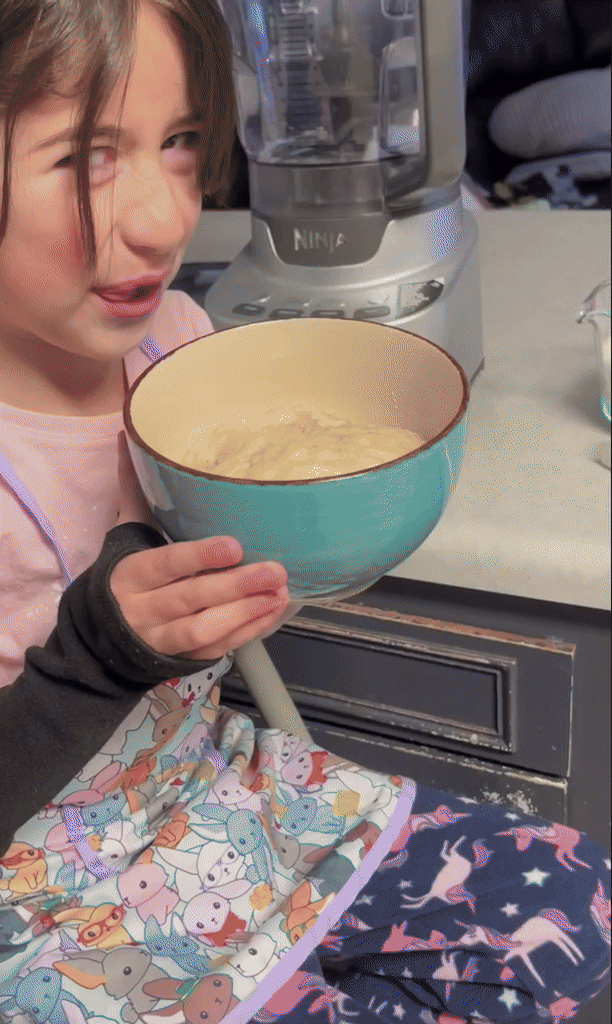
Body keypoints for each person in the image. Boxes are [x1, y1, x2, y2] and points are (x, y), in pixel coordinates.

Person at [0, 2, 609, 1022]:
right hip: (52, 898)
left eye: (183, 141)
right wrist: (94, 656)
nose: (163, 220)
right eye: (87, 159)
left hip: (209, 799)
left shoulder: (175, 338)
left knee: (572, 899)